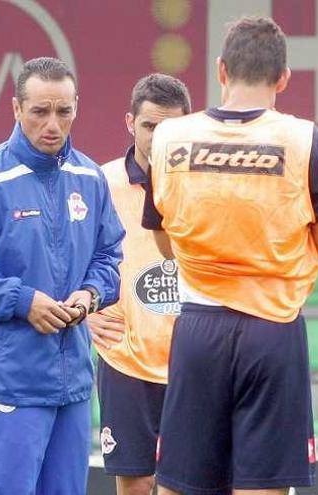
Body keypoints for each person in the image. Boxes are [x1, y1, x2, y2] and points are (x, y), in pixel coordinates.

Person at [142, 16, 318, 495]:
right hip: (271, 331)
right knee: (263, 486)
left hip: (196, 328)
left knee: (179, 485)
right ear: (283, 78)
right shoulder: (301, 139)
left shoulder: (170, 137)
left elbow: (162, 235)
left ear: (220, 70)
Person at [0, 57, 125, 495]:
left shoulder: (90, 178)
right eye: (40, 111)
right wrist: (23, 302)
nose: (53, 124)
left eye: (64, 111)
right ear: (16, 109)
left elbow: (110, 254)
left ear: (77, 108)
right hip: (8, 381)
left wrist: (91, 294)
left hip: (72, 383)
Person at [89, 73, 190, 495]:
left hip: (195, 357)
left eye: (171, 127)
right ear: (130, 123)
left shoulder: (203, 181)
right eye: (150, 126)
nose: (159, 137)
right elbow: (64, 260)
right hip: (126, 356)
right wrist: (83, 314)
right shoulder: (99, 182)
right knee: (136, 482)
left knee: (187, 483)